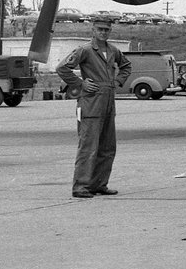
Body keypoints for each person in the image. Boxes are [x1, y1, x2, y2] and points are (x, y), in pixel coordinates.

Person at [56, 15, 132, 199]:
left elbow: (126, 66)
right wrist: (80, 83)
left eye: (106, 30)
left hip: (108, 103)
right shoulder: (85, 50)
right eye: (100, 29)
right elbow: (62, 68)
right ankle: (81, 186)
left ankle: (99, 184)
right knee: (88, 147)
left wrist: (117, 81)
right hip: (90, 104)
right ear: (93, 30)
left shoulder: (113, 50)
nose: (103, 33)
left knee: (107, 147)